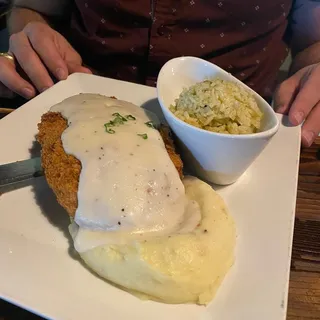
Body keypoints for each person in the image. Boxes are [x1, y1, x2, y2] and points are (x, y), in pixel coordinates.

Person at [0, 0, 319, 147]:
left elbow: (313, 42)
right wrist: (31, 33)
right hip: (80, 108)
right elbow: (33, 9)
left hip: (236, 140)